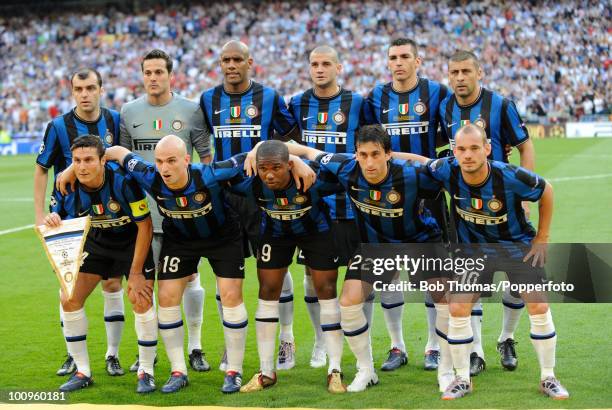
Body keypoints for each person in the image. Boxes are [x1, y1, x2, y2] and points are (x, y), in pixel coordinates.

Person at [391, 124, 569, 400]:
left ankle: (548, 376)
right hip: (473, 251)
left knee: (538, 303)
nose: (468, 155)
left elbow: (546, 190)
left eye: (475, 148)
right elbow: (424, 163)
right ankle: (462, 379)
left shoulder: (509, 176)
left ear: (487, 149)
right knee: (458, 307)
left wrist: (542, 237)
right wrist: (389, 155)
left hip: (516, 245)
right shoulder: (447, 169)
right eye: (461, 149)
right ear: (454, 151)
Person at [285, 125, 448, 392]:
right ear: (356, 154)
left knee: (445, 301)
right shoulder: (346, 167)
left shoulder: (412, 175)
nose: (369, 162)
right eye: (363, 155)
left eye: (376, 154)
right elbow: (302, 149)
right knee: (348, 302)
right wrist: (288, 159)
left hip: (420, 242)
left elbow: (447, 170)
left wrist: (426, 160)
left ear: (388, 154)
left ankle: (447, 371)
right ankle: (366, 370)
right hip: (377, 247)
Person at [199, 40, 298, 371]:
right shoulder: (208, 99)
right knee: (224, 272)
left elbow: (290, 136)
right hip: (224, 198)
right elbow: (202, 143)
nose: (230, 65)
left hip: (261, 197)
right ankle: (232, 345)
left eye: (236, 59)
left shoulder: (269, 97)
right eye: (225, 59)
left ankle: (287, 338)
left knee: (275, 267)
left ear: (249, 62)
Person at [439, 50, 537, 376]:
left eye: (466, 70)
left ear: (479, 72)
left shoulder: (501, 105)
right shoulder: (445, 107)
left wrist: (524, 196)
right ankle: (476, 352)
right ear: (448, 75)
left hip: (505, 206)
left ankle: (507, 338)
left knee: (516, 279)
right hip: (466, 211)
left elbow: (526, 146)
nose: (460, 77)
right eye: (454, 72)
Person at [119, 49, 212, 373]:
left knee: (188, 280)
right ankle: (147, 351)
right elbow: (124, 162)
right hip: (144, 218)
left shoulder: (190, 110)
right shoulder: (128, 111)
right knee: (142, 285)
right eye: (148, 72)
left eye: (159, 72)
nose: (153, 78)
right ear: (142, 75)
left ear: (170, 74)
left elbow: (206, 159)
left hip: (183, 217)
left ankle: (196, 347)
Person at [42, 136, 155, 393]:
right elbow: (59, 217)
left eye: (89, 160)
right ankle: (83, 371)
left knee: (141, 298)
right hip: (96, 243)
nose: (82, 167)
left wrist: (136, 272)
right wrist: (53, 218)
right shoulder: (65, 184)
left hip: (131, 242)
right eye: (77, 161)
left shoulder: (124, 182)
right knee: (68, 297)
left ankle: (146, 371)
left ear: (102, 160)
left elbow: (145, 225)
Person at [34, 68, 127, 377]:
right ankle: (73, 356)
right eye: (79, 89)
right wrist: (39, 218)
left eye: (90, 88)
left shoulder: (114, 119)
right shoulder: (58, 126)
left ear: (100, 89)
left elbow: (119, 156)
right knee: (68, 286)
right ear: (72, 91)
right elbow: (42, 169)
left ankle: (112, 354)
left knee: (112, 283)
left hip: (108, 216)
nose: (85, 94)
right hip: (69, 219)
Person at [365, 37, 451, 371]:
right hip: (385, 197)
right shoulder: (376, 97)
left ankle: (433, 346)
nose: (398, 62)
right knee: (386, 274)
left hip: (426, 195)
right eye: (392, 57)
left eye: (404, 57)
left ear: (418, 61)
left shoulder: (438, 93)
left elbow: (448, 135)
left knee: (434, 278)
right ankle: (397, 346)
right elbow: (369, 140)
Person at [233, 140, 346, 393]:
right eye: (264, 168)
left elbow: (345, 165)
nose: (269, 174)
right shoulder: (249, 180)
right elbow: (215, 173)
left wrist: (304, 159)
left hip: (317, 232)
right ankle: (265, 371)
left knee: (326, 290)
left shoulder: (315, 179)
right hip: (274, 234)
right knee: (268, 291)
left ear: (289, 165)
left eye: (277, 167)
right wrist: (252, 153)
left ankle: (335, 369)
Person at [287, 45, 371, 369]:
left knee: (360, 275)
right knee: (314, 275)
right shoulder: (297, 104)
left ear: (339, 67)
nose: (319, 69)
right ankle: (322, 340)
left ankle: (362, 341)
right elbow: (285, 142)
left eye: (326, 64)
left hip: (351, 202)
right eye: (314, 64)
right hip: (313, 202)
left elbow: (371, 143)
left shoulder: (357, 103)